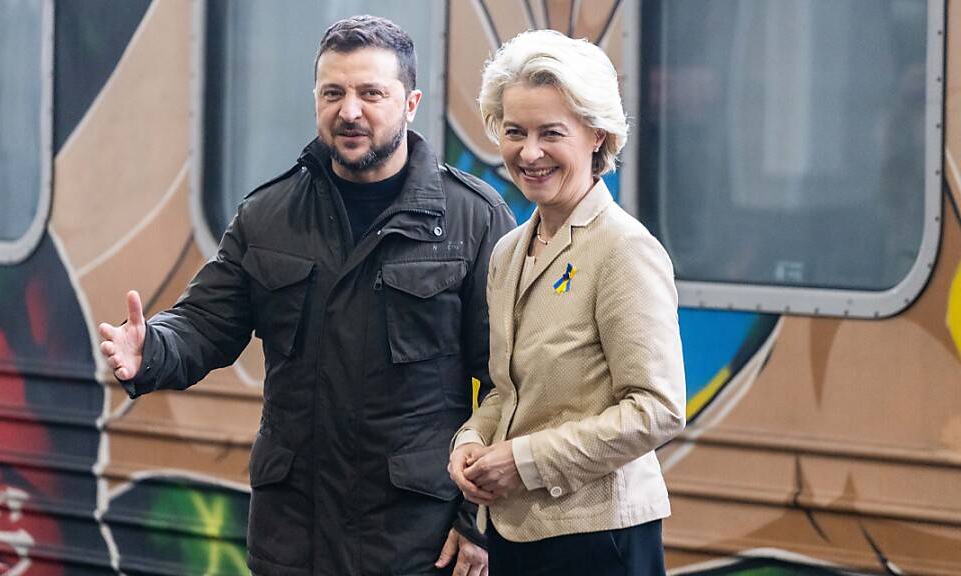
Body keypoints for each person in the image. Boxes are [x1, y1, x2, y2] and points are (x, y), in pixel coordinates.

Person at [98, 15, 514, 576]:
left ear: (410, 103)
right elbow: (203, 325)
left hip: (416, 541)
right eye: (333, 93)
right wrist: (152, 350)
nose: (349, 111)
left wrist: (477, 520)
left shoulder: (472, 219)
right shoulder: (268, 217)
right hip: (294, 538)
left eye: (371, 93)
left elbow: (509, 383)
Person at [447, 29, 686, 575]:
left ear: (596, 135)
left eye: (550, 133)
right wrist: (471, 442)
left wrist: (525, 461)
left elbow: (658, 408)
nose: (528, 153)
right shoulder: (511, 250)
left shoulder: (624, 249)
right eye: (514, 132)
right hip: (516, 532)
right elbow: (509, 392)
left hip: (601, 539)